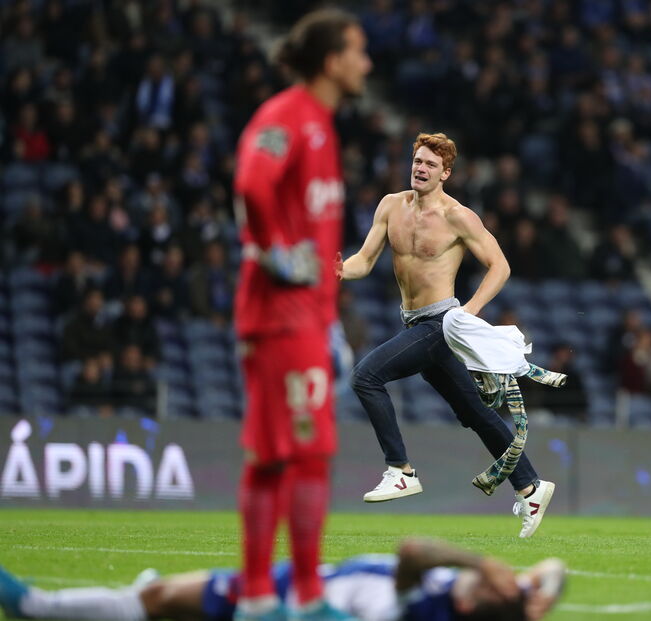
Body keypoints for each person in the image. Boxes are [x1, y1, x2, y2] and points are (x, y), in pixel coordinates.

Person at [339, 132, 556, 538]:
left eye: (430, 165)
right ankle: (530, 486)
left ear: (446, 173)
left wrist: (467, 313)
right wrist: (339, 270)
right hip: (414, 321)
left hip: (441, 322)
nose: (420, 168)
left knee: (366, 377)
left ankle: (400, 470)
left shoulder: (458, 216)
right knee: (474, 412)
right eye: (417, 161)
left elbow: (500, 266)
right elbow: (364, 261)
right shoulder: (391, 206)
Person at [232, 8, 371, 621]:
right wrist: (276, 253)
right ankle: (309, 598)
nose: (366, 63)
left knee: (269, 456)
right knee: (310, 453)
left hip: (296, 318)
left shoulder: (321, 125)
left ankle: (259, 596)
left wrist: (330, 320)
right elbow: (252, 183)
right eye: (358, 50)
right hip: (283, 313)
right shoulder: (289, 116)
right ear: (332, 60)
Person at [0, 538, 566, 621]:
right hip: (300, 583)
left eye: (500, 586)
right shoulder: (487, 601)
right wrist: (528, 597)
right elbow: (552, 573)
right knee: (160, 597)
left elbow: (412, 549)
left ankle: (33, 606)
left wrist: (477, 563)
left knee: (157, 598)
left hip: (285, 601)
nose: (507, 577)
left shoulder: (421, 604)